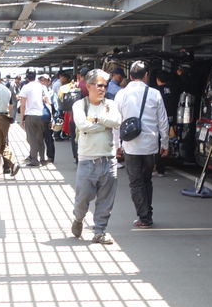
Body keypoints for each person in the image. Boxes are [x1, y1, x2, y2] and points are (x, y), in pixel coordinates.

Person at [116, 60, 170, 228]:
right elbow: (163, 122)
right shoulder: (155, 94)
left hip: (130, 145)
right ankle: (147, 213)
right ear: (146, 75)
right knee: (147, 180)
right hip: (150, 145)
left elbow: (116, 123)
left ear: (131, 76)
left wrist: (116, 145)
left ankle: (144, 217)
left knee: (135, 182)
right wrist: (165, 144)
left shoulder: (121, 94)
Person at [71, 69, 120, 245]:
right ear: (89, 86)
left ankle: (100, 231)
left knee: (106, 200)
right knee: (82, 198)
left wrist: (96, 119)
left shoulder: (111, 104)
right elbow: (83, 125)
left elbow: (116, 121)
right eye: (99, 85)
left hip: (108, 159)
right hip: (87, 160)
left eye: (105, 86)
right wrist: (104, 123)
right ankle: (78, 218)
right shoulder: (79, 105)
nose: (103, 89)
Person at [18, 71, 49, 167]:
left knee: (31, 138)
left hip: (30, 115)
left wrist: (22, 119)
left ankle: (34, 160)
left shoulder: (25, 87)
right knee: (40, 138)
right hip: (41, 115)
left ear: (27, 77)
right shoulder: (41, 86)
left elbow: (23, 105)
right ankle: (43, 159)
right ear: (35, 76)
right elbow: (47, 101)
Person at [39, 74, 56, 164]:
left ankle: (50, 157)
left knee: (49, 138)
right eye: (41, 80)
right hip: (39, 117)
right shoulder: (37, 91)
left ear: (49, 81)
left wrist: (53, 119)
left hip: (48, 118)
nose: (43, 82)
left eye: (45, 80)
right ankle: (38, 157)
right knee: (38, 138)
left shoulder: (52, 93)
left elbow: (54, 106)